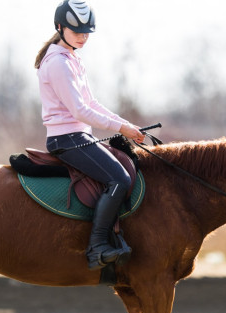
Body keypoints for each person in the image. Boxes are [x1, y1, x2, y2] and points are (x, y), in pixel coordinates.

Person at [35, 0, 145, 271]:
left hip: (78, 135)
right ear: (60, 28)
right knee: (118, 178)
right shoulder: (58, 63)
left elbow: (93, 103)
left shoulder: (72, 58)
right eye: (77, 31)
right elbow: (80, 110)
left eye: (87, 32)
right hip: (67, 138)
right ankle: (97, 247)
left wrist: (126, 124)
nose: (83, 37)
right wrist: (121, 129)